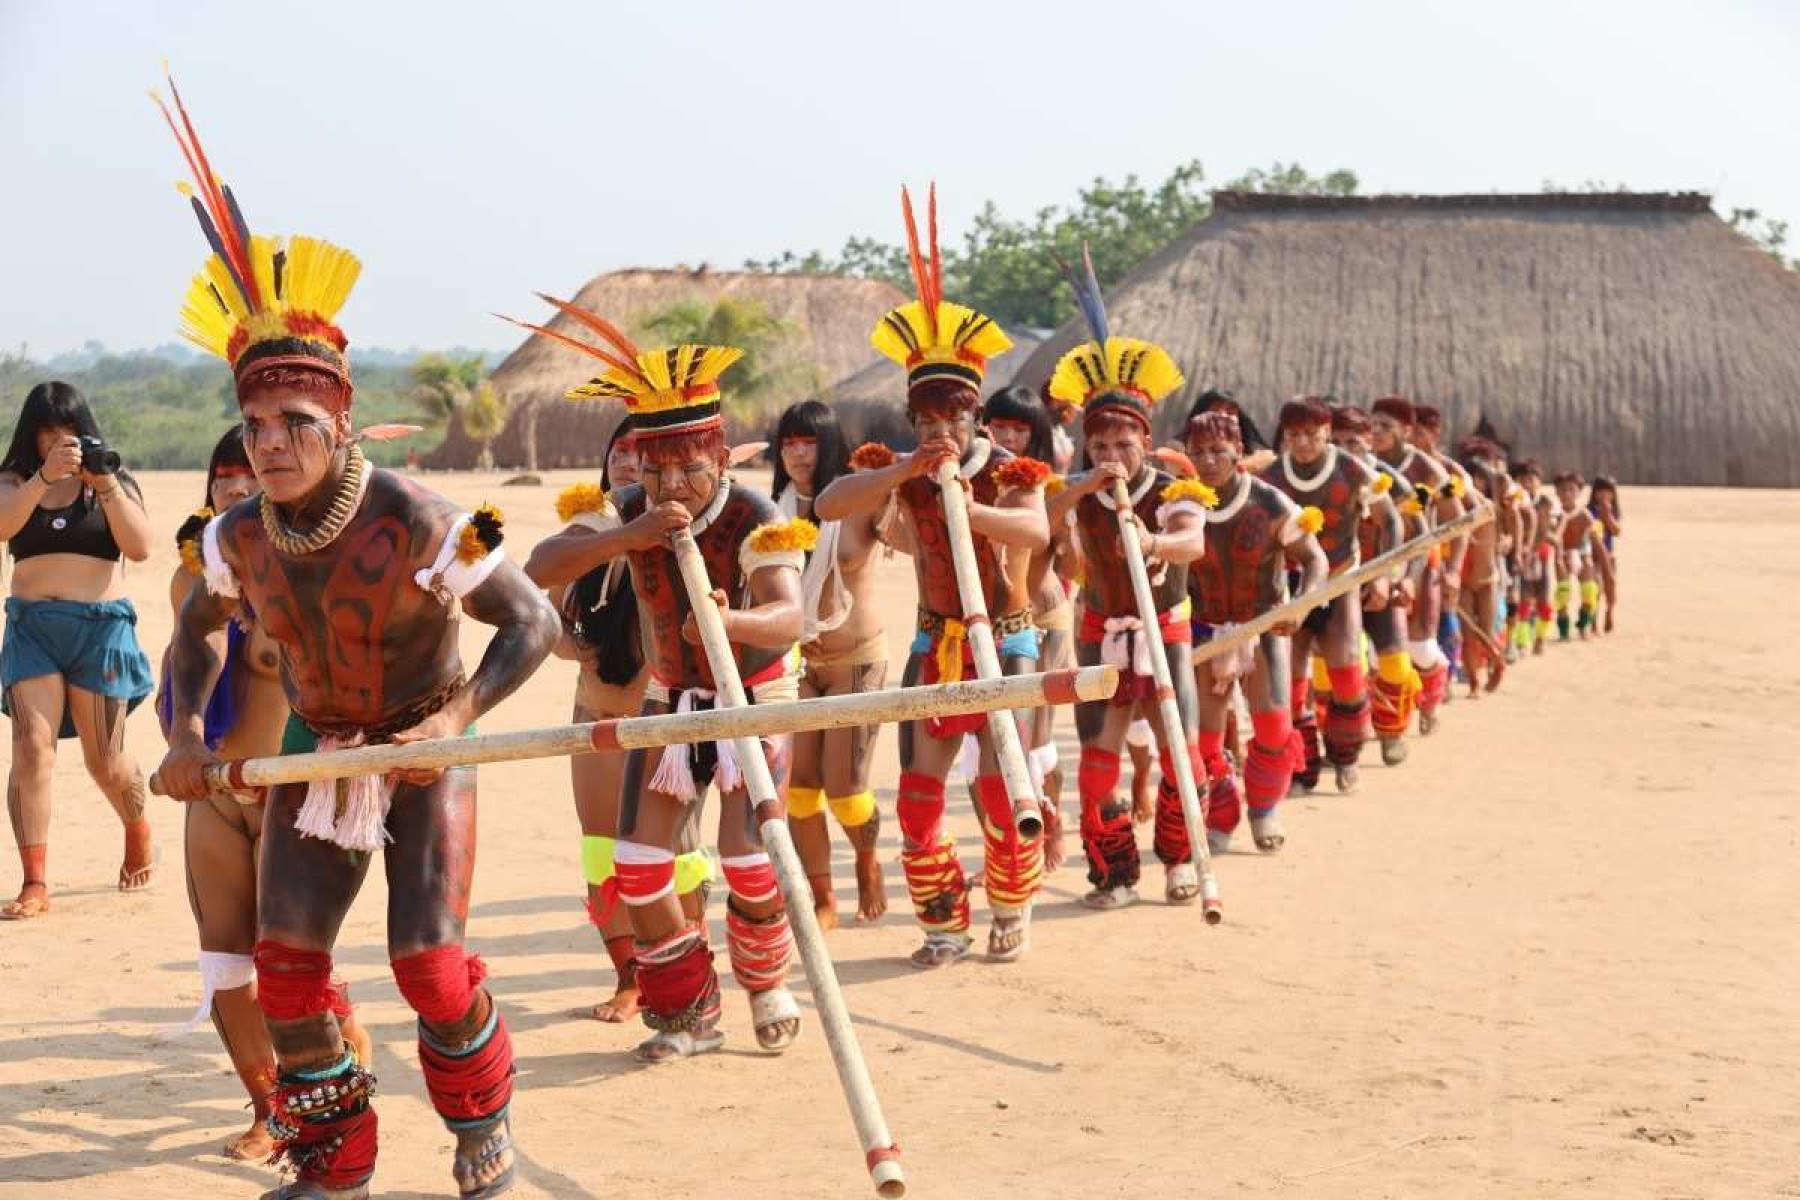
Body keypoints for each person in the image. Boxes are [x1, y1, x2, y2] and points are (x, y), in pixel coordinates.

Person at [151, 77, 558, 1199]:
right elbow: (189, 635)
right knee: (287, 975)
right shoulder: (232, 539)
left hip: (424, 753)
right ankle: (338, 1163)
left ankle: (482, 1117)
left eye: (297, 425)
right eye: (255, 424)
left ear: (340, 424)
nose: (273, 444)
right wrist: (187, 728)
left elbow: (534, 618)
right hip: (323, 755)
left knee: (427, 965)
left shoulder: (424, 520)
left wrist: (458, 718)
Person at [502, 294, 811, 1063]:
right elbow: (537, 571)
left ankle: (768, 983)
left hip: (753, 698)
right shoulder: (629, 507)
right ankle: (687, 1012)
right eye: (656, 464)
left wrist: (727, 620)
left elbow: (788, 619)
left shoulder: (756, 513)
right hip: (667, 701)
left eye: (689, 466)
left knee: (746, 857)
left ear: (721, 457)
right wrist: (630, 535)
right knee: (640, 867)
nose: (673, 481)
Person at [815, 184, 1051, 967]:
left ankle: (1010, 908)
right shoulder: (907, 472)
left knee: (998, 782)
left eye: (955, 420)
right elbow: (828, 502)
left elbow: (1034, 528)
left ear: (977, 418)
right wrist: (911, 473)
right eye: (927, 422)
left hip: (1008, 643)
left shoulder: (1010, 469)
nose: (943, 432)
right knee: (919, 792)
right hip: (934, 640)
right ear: (913, 423)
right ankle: (944, 922)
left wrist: (971, 511)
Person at [157, 428, 372, 1161]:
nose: (230, 486)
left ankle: (335, 1062)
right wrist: (182, 742)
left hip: (291, 793)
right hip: (215, 785)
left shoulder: (312, 566)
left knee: (288, 959)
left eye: (243, 473)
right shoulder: (195, 575)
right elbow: (193, 658)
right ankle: (268, 1107)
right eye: (220, 474)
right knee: (223, 961)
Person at [524, 417, 712, 1025]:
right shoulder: (595, 524)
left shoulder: (694, 526)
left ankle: (684, 976)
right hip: (596, 713)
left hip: (663, 720)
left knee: (672, 858)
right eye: (621, 454)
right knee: (601, 856)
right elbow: (538, 576)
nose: (631, 465)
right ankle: (631, 979)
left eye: (645, 456)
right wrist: (625, 538)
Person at [1040, 254, 1210, 906]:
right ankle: (1113, 871)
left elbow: (1191, 539)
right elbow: (1040, 522)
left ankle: (1177, 861)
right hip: (1099, 629)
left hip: (1164, 628)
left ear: (1146, 442)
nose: (1112, 458)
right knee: (1099, 758)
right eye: (1100, 447)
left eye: (1123, 446)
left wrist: (1153, 539)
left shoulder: (1174, 489)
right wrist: (1078, 487)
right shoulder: (1077, 489)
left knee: (1180, 752)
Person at [0, 381, 155, 920]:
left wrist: (105, 482)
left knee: (106, 761)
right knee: (32, 746)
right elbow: (2, 525)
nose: (59, 445)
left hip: (100, 629)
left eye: (68, 434)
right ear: (33, 437)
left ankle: (138, 829)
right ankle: (35, 880)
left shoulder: (111, 477)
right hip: (33, 626)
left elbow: (139, 546)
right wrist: (43, 478)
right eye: (48, 435)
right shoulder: (15, 481)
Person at [1185, 411, 1328, 853]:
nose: (1208, 461)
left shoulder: (1270, 503)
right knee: (1205, 738)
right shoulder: (1180, 505)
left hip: (1264, 624)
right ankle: (1222, 812)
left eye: (1218, 452)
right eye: (1199, 452)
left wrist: (1300, 606)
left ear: (1238, 453)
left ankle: (1264, 808)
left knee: (1272, 725)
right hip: (1206, 630)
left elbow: (1316, 560)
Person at [769, 399, 889, 926]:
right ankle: (824, 898)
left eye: (808, 441)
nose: (797, 453)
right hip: (796, 664)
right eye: (789, 443)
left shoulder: (861, 497)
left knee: (844, 789)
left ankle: (866, 858)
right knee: (797, 790)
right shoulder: (768, 508)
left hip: (856, 660)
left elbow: (909, 536)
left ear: (830, 443)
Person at [1263, 397, 1379, 794]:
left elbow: (1395, 521)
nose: (1304, 444)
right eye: (1294, 435)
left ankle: (1345, 756)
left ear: (1327, 433)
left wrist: (1387, 577)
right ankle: (1302, 768)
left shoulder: (1353, 470)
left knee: (1346, 671)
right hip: (1291, 587)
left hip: (1339, 580)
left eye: (1312, 435)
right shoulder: (1272, 479)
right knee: (1292, 683)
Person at [983, 386, 1075, 865]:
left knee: (1036, 740)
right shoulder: (971, 477)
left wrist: (1067, 505)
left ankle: (1051, 822)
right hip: (981, 626)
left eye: (1021, 430)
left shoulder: (1046, 487)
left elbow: (1070, 562)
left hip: (1043, 617)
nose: (1009, 437)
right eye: (1001, 426)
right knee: (993, 745)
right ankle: (1008, 849)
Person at [1371, 398, 1466, 735]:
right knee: (1380, 650)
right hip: (1378, 566)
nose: (1377, 432)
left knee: (1421, 647)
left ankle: (1431, 695)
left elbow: (1459, 522)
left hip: (1423, 565)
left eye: (1386, 426)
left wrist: (1453, 570)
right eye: (1374, 424)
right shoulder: (1366, 466)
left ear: (1406, 431)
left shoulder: (1430, 470)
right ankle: (1390, 717)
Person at [1328, 405, 1416, 764]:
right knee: (1331, 672)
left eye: (1354, 441)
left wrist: (1400, 578)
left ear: (1369, 442)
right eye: (1338, 441)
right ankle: (1342, 744)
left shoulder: (1395, 483)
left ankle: (1391, 732)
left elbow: (1419, 536)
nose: (1346, 449)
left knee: (1394, 661)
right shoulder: (1323, 478)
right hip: (1335, 585)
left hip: (1383, 581)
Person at [1553, 472, 1612, 640]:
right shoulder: (1554, 514)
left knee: (1589, 591)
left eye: (1571, 490)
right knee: (1563, 593)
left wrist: (1597, 559)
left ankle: (1584, 626)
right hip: (1562, 555)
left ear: (1579, 492)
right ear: (1557, 492)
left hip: (1583, 554)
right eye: (1563, 490)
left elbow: (1594, 538)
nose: (1567, 494)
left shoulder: (1585, 515)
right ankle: (1563, 630)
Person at [1588, 474, 1621, 632]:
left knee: (1611, 585)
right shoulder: (1589, 511)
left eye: (1608, 492)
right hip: (1593, 555)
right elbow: (1592, 533)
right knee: (1596, 588)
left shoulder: (1613, 511)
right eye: (1600, 492)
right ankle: (1593, 620)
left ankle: (1609, 612)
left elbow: (1616, 531)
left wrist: (1608, 515)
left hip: (1609, 554)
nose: (1604, 496)